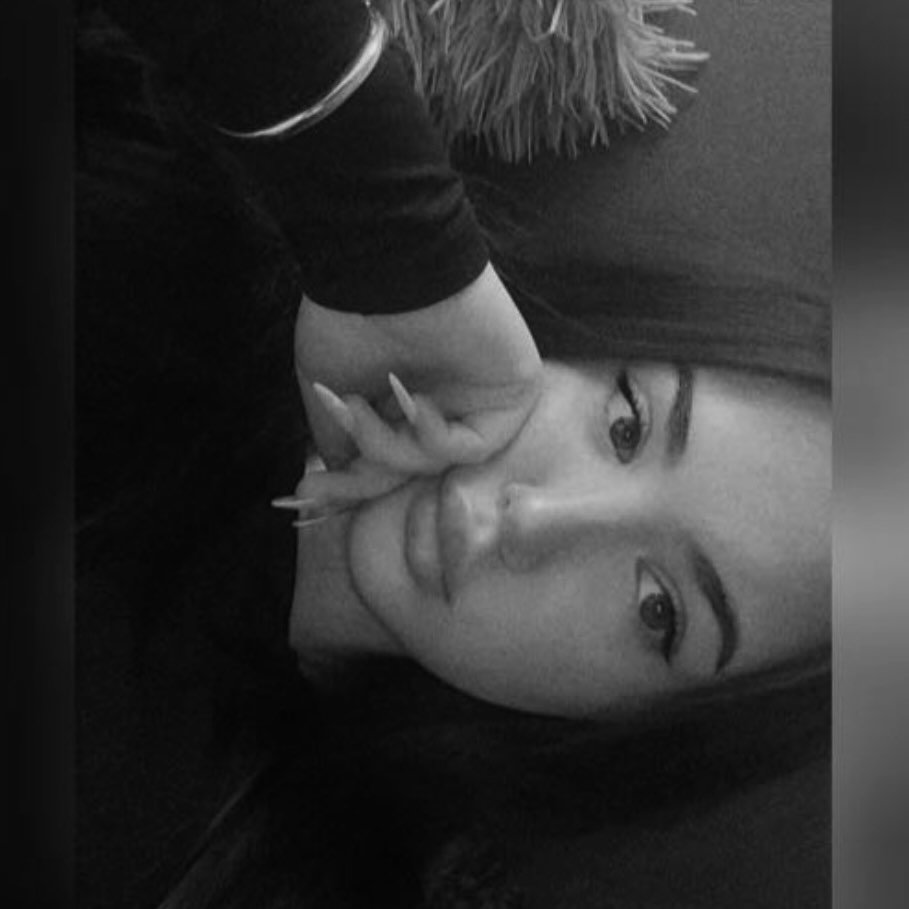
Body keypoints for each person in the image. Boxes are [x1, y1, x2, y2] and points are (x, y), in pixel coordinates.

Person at [76, 1, 830, 907]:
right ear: (607, 330)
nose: (536, 518)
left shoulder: (247, 863)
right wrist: (379, 226)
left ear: (638, 730)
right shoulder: (204, 203)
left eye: (657, 610)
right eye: (627, 424)